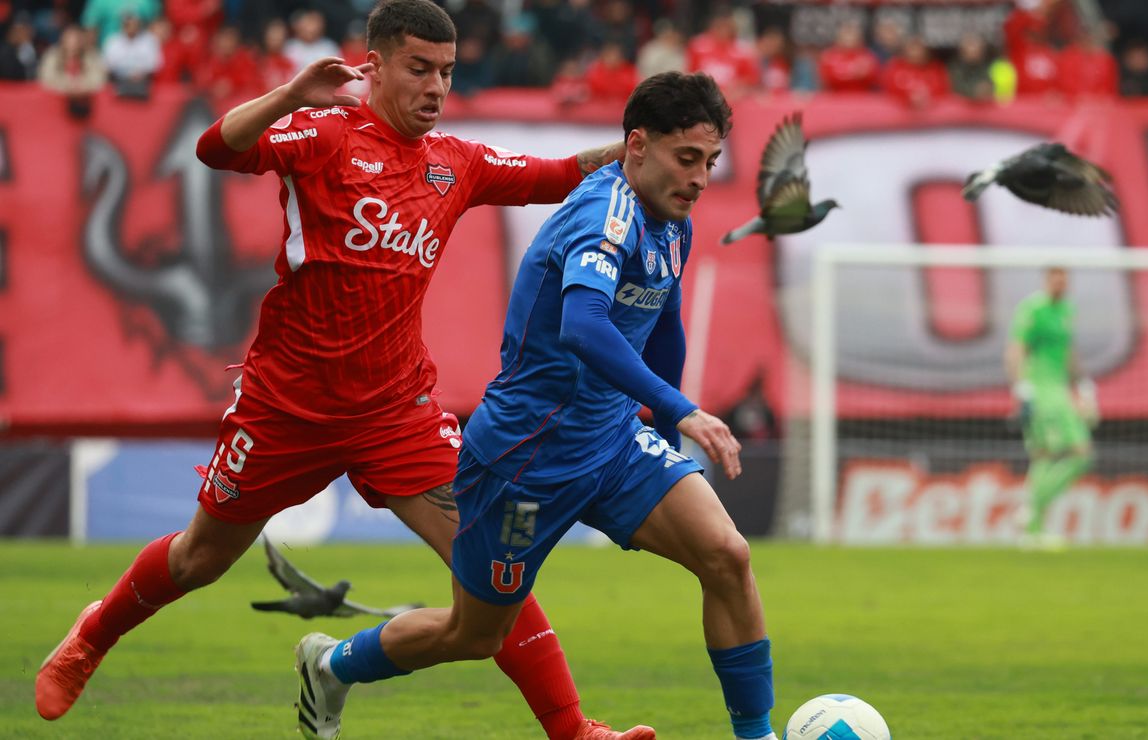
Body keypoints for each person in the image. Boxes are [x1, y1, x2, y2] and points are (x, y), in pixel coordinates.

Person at [36, 3, 637, 739]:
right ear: (374, 66)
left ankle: (574, 731)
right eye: (419, 69)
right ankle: (92, 635)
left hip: (396, 414)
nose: (436, 87)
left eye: (447, 72)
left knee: (488, 563)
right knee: (199, 560)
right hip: (287, 409)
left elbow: (560, 174)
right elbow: (214, 148)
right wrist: (291, 94)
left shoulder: (456, 162)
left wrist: (638, 150)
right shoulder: (324, 134)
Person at [297, 71, 778, 740]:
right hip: (524, 460)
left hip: (612, 443)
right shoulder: (603, 215)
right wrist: (684, 407)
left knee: (727, 556)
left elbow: (664, 323)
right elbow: (584, 325)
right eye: (686, 158)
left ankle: (757, 735)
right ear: (637, 145)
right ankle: (333, 665)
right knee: (475, 635)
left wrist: (668, 431)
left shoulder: (672, 222)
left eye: (710, 162)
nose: (699, 179)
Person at [1007, 267, 1097, 549]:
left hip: (1061, 390)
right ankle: (1031, 510)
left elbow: (1068, 352)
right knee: (1080, 452)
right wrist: (1021, 388)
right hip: (1041, 391)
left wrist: (1083, 385)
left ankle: (1032, 529)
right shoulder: (1033, 309)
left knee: (1044, 457)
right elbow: (1016, 349)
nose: (1061, 284)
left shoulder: (1067, 310)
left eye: (1064, 280)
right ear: (1046, 281)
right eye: (1056, 280)